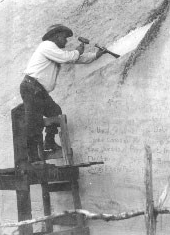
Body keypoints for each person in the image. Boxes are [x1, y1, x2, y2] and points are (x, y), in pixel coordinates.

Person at [20, 24, 106, 163]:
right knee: (34, 123)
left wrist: (96, 55)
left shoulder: (54, 52)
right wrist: (78, 50)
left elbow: (75, 59)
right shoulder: (46, 45)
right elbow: (68, 57)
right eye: (64, 38)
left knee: (56, 112)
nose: (66, 42)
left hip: (38, 90)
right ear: (57, 36)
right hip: (31, 87)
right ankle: (33, 158)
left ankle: (49, 142)